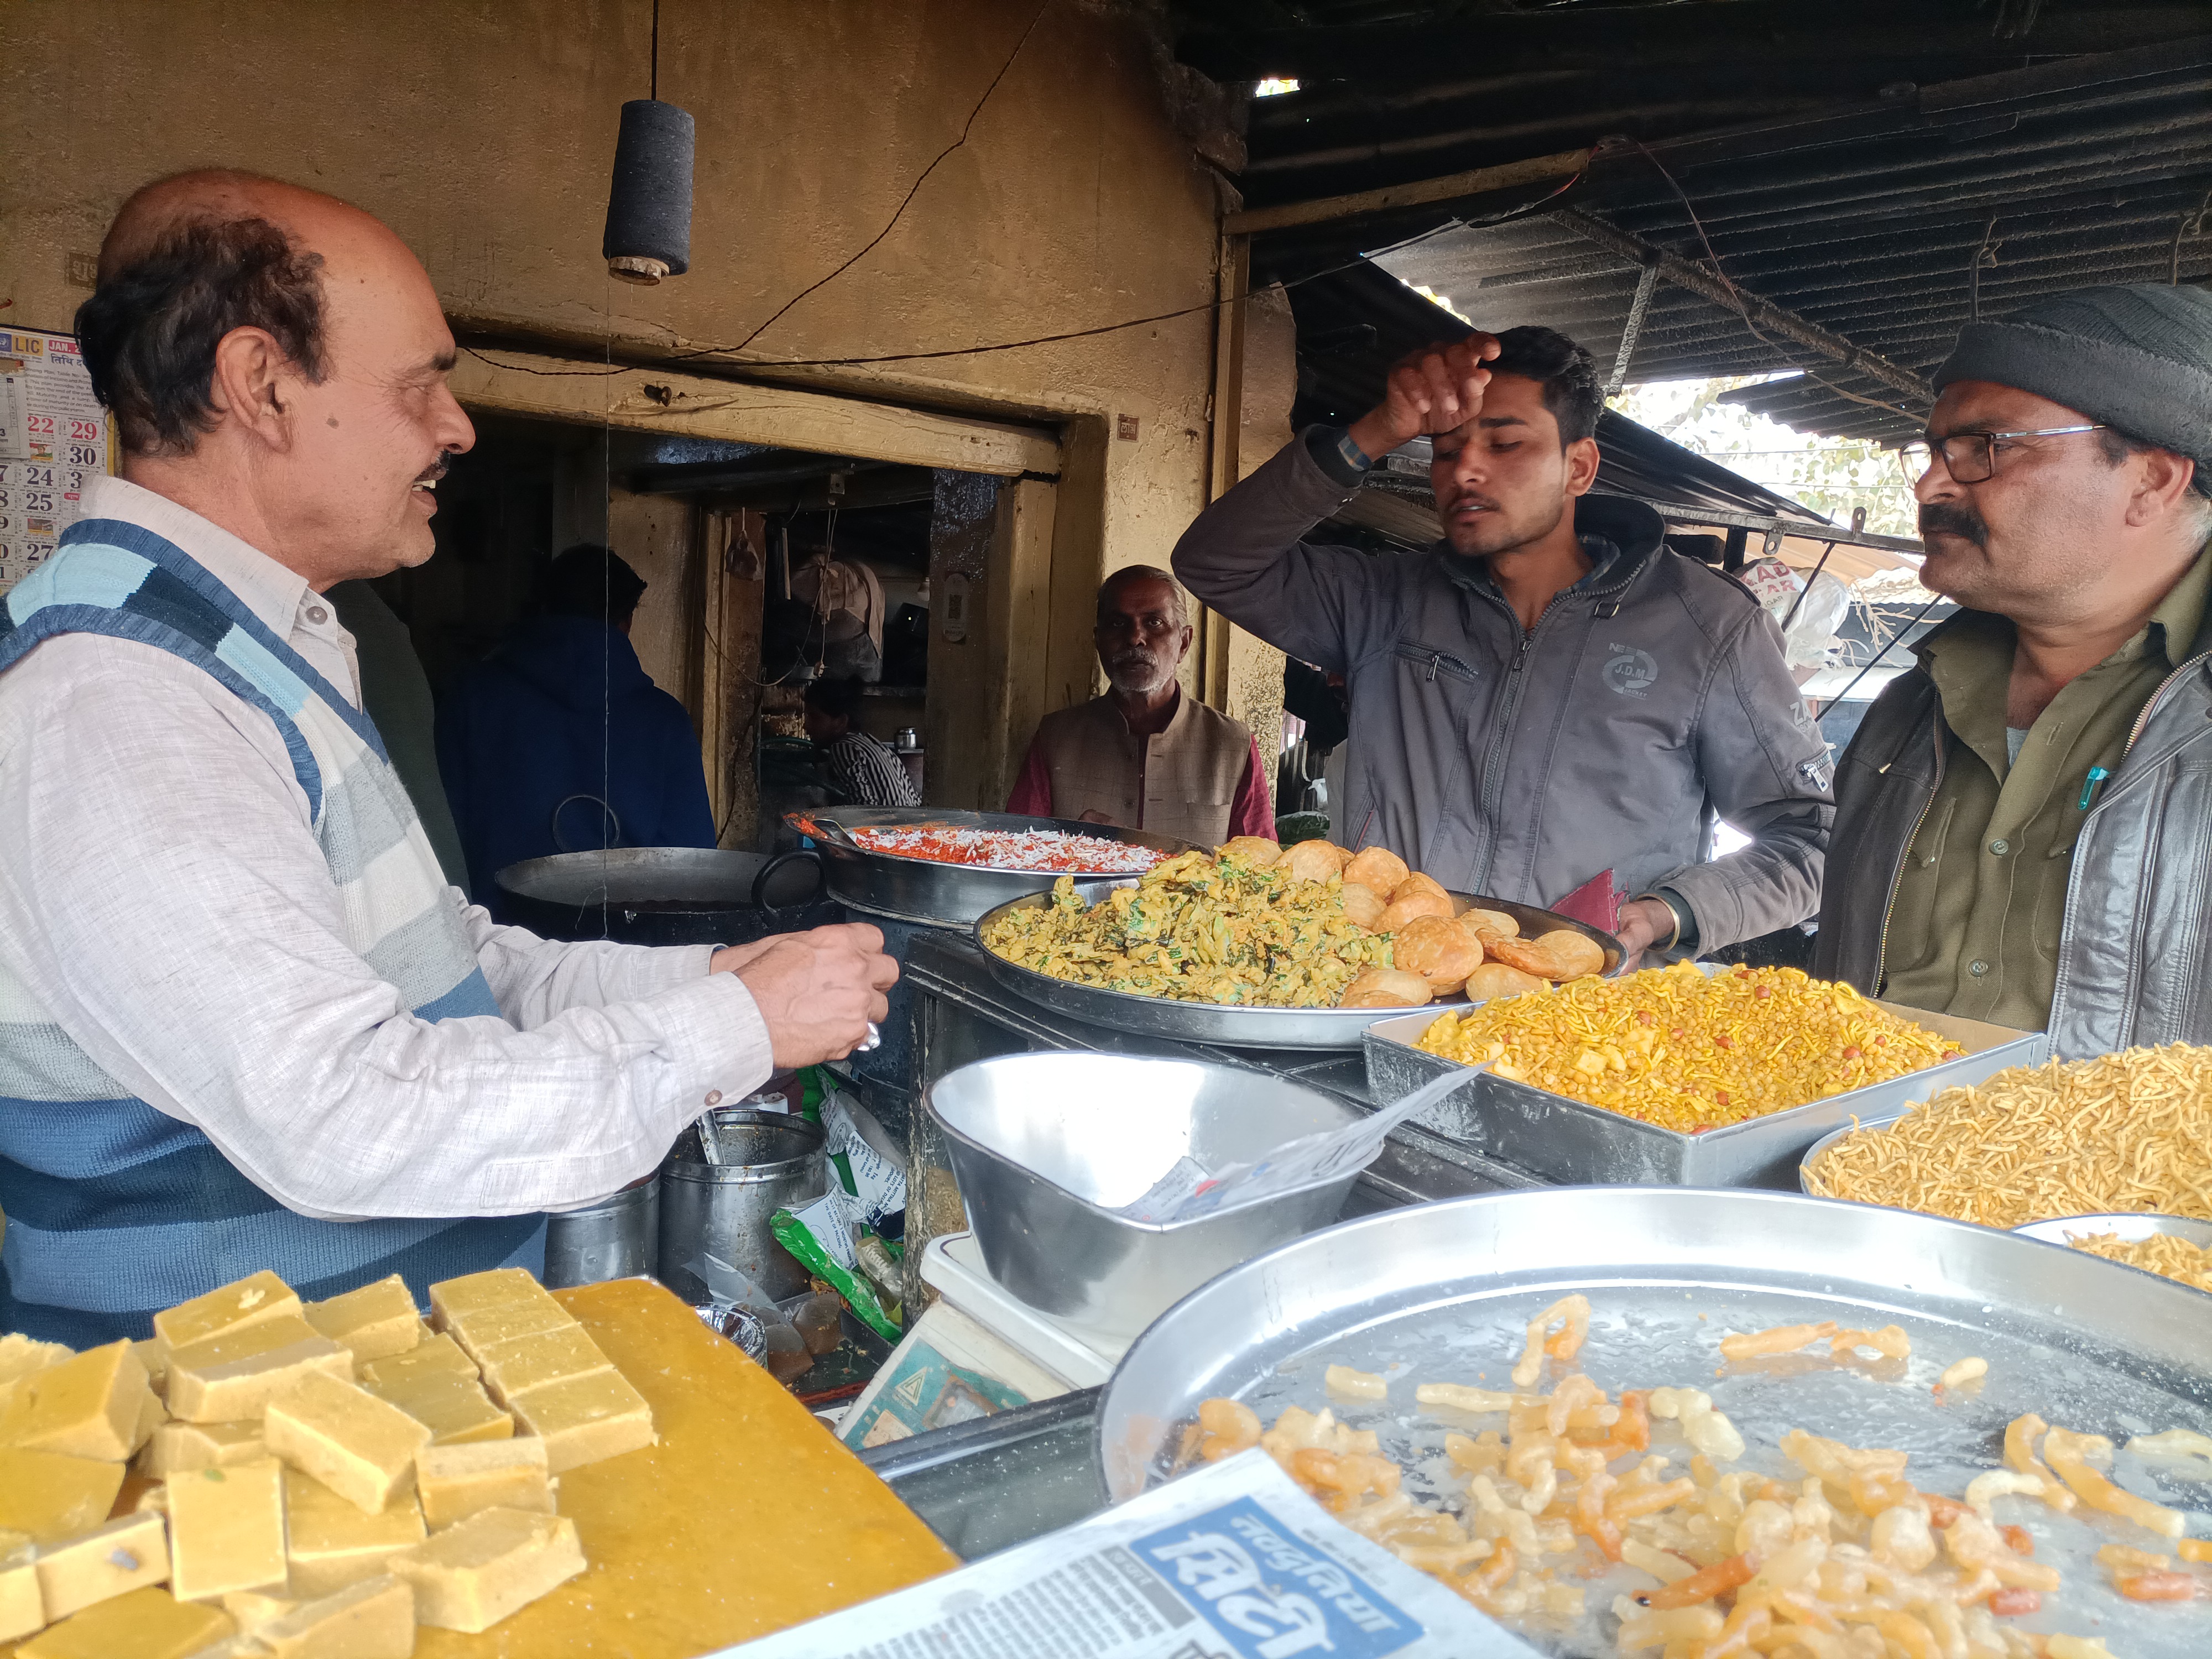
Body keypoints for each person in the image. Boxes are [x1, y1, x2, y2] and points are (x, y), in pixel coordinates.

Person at [0, 169, 895, 1342]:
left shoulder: (255, 647)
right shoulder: (122, 699)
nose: (456, 427)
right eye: (420, 383)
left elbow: (444, 971)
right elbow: (344, 1114)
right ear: (259, 385)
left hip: (358, 1389)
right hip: (242, 1448)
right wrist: (727, 1033)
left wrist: (714, 982)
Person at [1172, 326, 1831, 958]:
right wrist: (1380, 427)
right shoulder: (1384, 600)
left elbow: (1810, 840)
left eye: (1505, 445)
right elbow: (1214, 561)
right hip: (1386, 988)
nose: (1466, 472)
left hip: (1583, 1023)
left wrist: (1670, 913)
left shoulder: (1707, 628)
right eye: (1447, 450)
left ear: (1580, 466)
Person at [1815, 285, 2212, 1057]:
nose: (1931, 485)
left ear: (2152, 481)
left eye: (1986, 446)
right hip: (1844, 1162)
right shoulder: (1907, 708)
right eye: (1932, 451)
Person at [436, 544, 715, 901]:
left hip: (494, 941)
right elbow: (691, 864)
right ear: (625, 621)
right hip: (624, 950)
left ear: (544, 608)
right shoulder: (666, 721)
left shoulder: (469, 699)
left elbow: (437, 841)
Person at [1004, 565, 1275, 844]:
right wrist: (1074, 849)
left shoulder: (1232, 745)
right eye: (1118, 624)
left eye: (1154, 623)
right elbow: (1017, 852)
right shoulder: (1056, 738)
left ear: (1184, 642)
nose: (1135, 638)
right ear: (1098, 642)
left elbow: (1261, 870)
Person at [804, 676, 920, 807]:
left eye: (815, 718)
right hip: (908, 825)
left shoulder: (843, 749)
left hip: (882, 827)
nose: (806, 726)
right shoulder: (875, 744)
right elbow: (914, 800)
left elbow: (863, 808)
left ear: (841, 721)